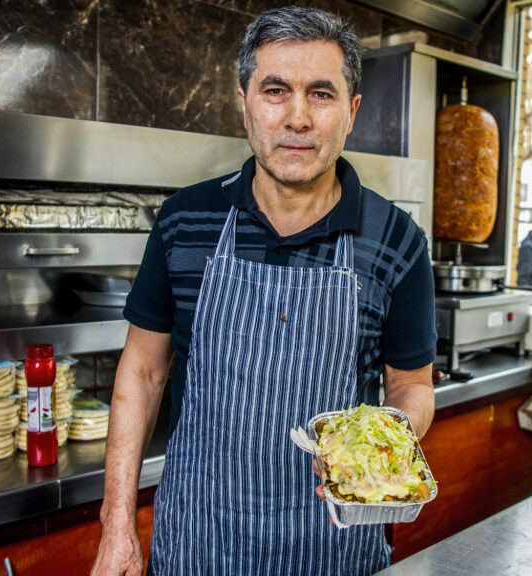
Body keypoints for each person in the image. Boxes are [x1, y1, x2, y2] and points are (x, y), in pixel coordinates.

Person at [91, 7, 436, 575]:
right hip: (198, 545)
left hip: (332, 552)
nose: (297, 118)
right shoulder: (185, 221)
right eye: (275, 91)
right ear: (245, 103)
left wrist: (376, 450)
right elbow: (143, 371)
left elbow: (412, 385)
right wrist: (117, 523)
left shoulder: (396, 240)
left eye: (321, 94)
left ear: (351, 112)